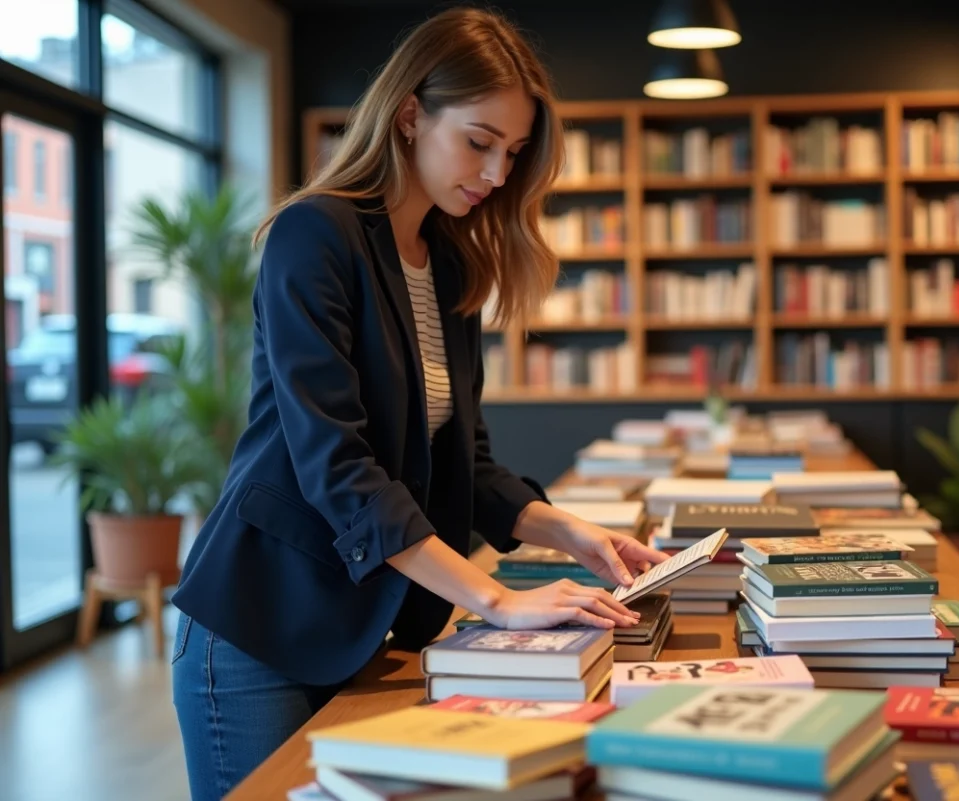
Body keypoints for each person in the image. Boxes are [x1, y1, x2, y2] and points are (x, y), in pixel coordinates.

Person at [169, 7, 667, 799]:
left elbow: (467, 462)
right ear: (410, 115)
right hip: (259, 620)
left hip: (365, 623)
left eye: (513, 152)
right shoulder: (314, 235)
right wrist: (497, 599)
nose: (497, 173)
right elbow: (339, 466)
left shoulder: (449, 265)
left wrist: (572, 532)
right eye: (479, 141)